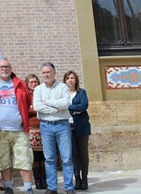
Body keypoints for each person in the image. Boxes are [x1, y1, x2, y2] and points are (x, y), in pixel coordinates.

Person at [0, 58, 34, 194]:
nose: (4, 69)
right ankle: (9, 187)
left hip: (20, 130)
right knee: (3, 161)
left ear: (10, 68)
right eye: (1, 67)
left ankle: (28, 188)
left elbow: (27, 102)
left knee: (25, 160)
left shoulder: (20, 83)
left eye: (7, 66)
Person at [33, 62, 75, 194]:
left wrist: (48, 103)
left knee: (67, 158)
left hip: (62, 125)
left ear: (54, 72)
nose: (46, 74)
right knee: (49, 159)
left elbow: (66, 103)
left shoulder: (63, 87)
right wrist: (56, 108)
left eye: (48, 72)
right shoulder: (38, 89)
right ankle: (52, 188)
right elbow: (37, 106)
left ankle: (69, 187)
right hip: (46, 126)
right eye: (44, 72)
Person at [64, 71, 91, 191]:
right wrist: (75, 110)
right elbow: (60, 106)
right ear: (65, 80)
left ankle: (84, 179)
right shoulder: (62, 94)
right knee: (73, 155)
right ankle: (77, 179)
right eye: (68, 78)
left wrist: (68, 107)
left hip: (81, 126)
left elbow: (84, 105)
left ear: (76, 80)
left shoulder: (82, 92)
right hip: (67, 127)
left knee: (83, 154)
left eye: (72, 78)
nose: (70, 80)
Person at [25, 74, 46, 190]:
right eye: (31, 82)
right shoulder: (26, 95)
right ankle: (37, 180)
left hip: (43, 128)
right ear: (27, 84)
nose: (33, 84)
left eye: (35, 82)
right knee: (34, 157)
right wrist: (36, 108)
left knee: (43, 156)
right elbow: (25, 110)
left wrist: (35, 107)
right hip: (32, 130)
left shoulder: (42, 93)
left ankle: (44, 179)